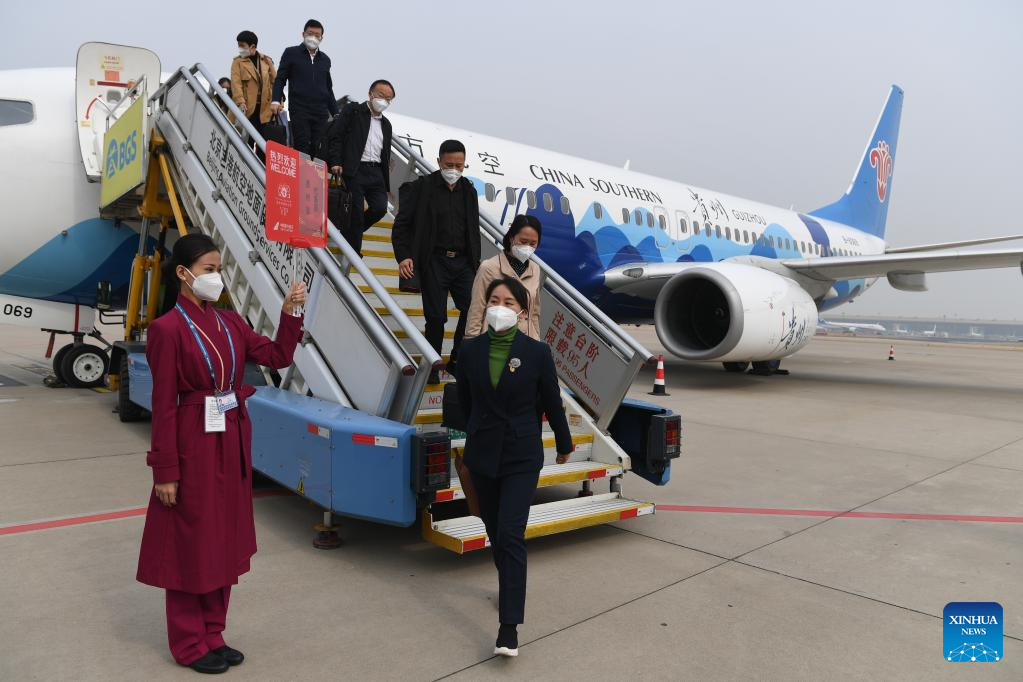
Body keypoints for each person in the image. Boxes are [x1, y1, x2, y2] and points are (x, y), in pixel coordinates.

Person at [137, 234, 306, 674]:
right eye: (210, 269)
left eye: (219, 269)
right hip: (193, 440)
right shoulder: (166, 330)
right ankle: (189, 643)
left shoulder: (230, 322)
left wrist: (290, 312)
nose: (217, 277)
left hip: (230, 438)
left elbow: (277, 355)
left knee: (222, 541)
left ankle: (214, 632)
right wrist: (165, 471)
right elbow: (162, 406)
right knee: (191, 543)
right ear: (183, 274)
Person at [455, 278, 574, 657]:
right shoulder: (469, 350)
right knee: (493, 529)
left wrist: (564, 442)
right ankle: (508, 583)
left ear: (523, 311)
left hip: (522, 453)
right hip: (482, 454)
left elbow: (552, 401)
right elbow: (466, 401)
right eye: (494, 299)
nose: (500, 306)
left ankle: (509, 627)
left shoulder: (537, 352)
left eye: (508, 301)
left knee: (510, 533)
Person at [392, 139, 480, 384]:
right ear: (439, 161)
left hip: (462, 262)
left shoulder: (468, 191)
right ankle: (431, 364)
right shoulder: (423, 187)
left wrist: (476, 263)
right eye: (450, 164)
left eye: (460, 166)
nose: (454, 170)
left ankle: (456, 360)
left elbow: (472, 230)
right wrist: (404, 256)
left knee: (473, 309)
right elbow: (402, 225)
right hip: (434, 260)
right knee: (435, 317)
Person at [324, 79, 395, 255]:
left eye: (388, 99)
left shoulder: (386, 125)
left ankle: (349, 234)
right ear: (370, 94)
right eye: (381, 96)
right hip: (355, 169)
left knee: (379, 208)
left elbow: (384, 152)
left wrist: (386, 182)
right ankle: (354, 253)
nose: (383, 101)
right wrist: (335, 162)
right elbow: (336, 136)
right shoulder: (353, 111)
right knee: (355, 211)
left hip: (376, 172)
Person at [465, 214, 544, 340]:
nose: (528, 247)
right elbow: (477, 309)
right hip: (493, 340)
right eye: (523, 242)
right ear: (512, 238)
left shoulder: (535, 269)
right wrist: (470, 341)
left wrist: (536, 341)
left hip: (525, 341)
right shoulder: (489, 267)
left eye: (533, 243)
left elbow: (534, 312)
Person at [270, 19, 339, 156]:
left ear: (321, 38)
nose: (313, 37)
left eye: (317, 35)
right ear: (303, 34)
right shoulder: (291, 53)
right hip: (300, 109)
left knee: (318, 148)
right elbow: (280, 79)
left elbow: (328, 88)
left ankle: (312, 177)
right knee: (302, 145)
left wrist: (336, 113)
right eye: (310, 33)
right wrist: (276, 100)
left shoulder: (325, 59)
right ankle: (300, 177)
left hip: (320, 112)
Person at [230, 31, 277, 138]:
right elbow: (236, 84)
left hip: (265, 110)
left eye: (243, 46)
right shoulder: (237, 62)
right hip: (247, 108)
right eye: (239, 45)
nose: (240, 49)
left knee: (264, 143)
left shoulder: (266, 60)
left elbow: (275, 81)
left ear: (253, 47)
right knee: (246, 142)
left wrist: (279, 102)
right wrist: (240, 102)